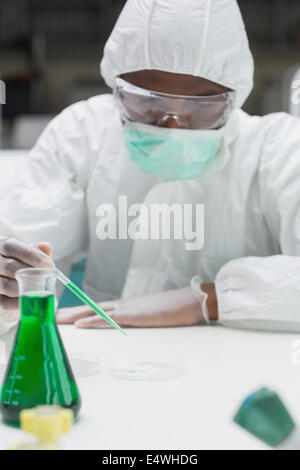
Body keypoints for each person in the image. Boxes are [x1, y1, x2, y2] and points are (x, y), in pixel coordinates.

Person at [1, 0, 300, 334]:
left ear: (234, 97)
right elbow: (24, 253)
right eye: (147, 102)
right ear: (116, 86)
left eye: (201, 106)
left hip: (242, 370)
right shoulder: (83, 134)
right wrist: (13, 295)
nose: (172, 126)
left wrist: (208, 299)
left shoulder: (278, 150)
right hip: (110, 364)